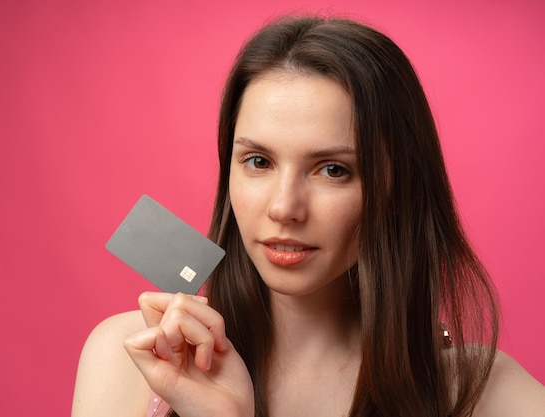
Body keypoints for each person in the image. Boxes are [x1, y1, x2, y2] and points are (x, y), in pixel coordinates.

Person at [71, 16, 545, 417]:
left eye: (333, 170)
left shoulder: (486, 394)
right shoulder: (134, 358)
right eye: (258, 161)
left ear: (397, 186)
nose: (283, 208)